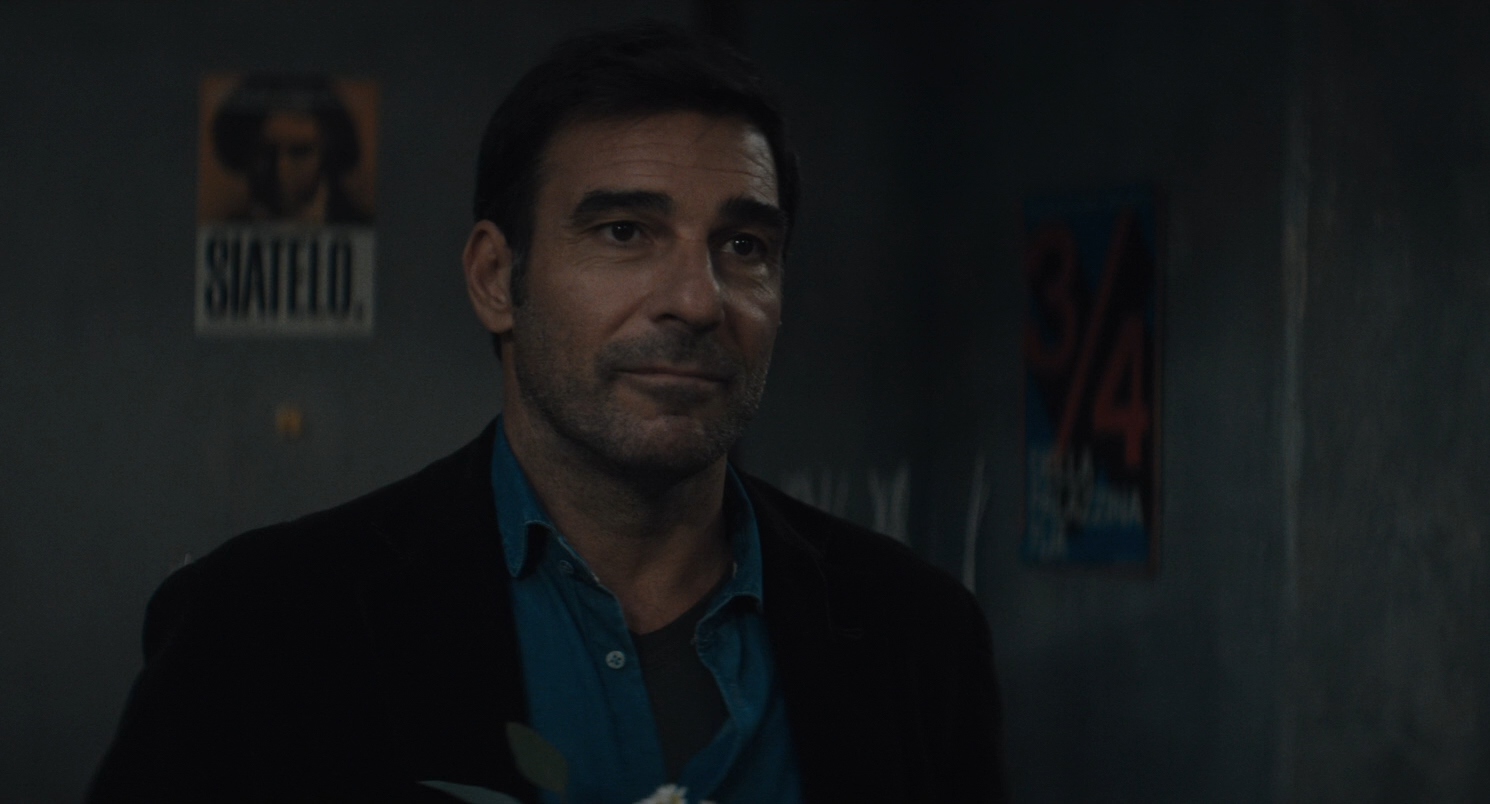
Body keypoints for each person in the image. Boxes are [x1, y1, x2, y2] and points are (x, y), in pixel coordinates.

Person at [89, 22, 1002, 804]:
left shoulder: (917, 637)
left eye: (743, 245)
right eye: (624, 232)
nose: (697, 299)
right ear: (497, 279)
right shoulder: (262, 630)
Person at [209, 73, 372, 224]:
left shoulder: (362, 226)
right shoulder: (221, 227)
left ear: (329, 151)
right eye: (264, 151)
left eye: (300, 152)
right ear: (243, 150)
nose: (281, 170)